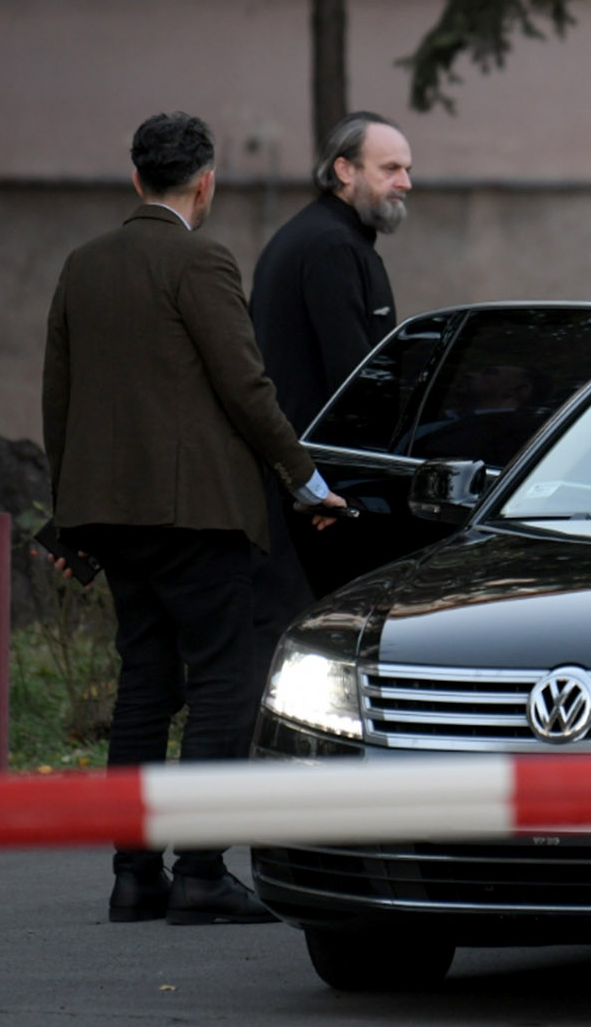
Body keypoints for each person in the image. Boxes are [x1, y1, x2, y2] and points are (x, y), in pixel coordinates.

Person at [41, 111, 349, 925]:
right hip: (198, 515)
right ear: (205, 182)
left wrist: (71, 516)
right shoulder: (202, 260)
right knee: (223, 681)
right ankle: (202, 871)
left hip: (113, 517)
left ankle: (134, 874)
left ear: (136, 178)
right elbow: (247, 387)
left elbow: (59, 396)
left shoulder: (82, 264)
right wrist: (305, 480)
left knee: (144, 684)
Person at [246, 111, 413, 653]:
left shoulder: (317, 238)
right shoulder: (332, 247)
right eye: (390, 168)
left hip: (296, 485)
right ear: (344, 170)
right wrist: (343, 491)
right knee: (314, 647)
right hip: (313, 499)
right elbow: (355, 383)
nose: (405, 182)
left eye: (407, 169)